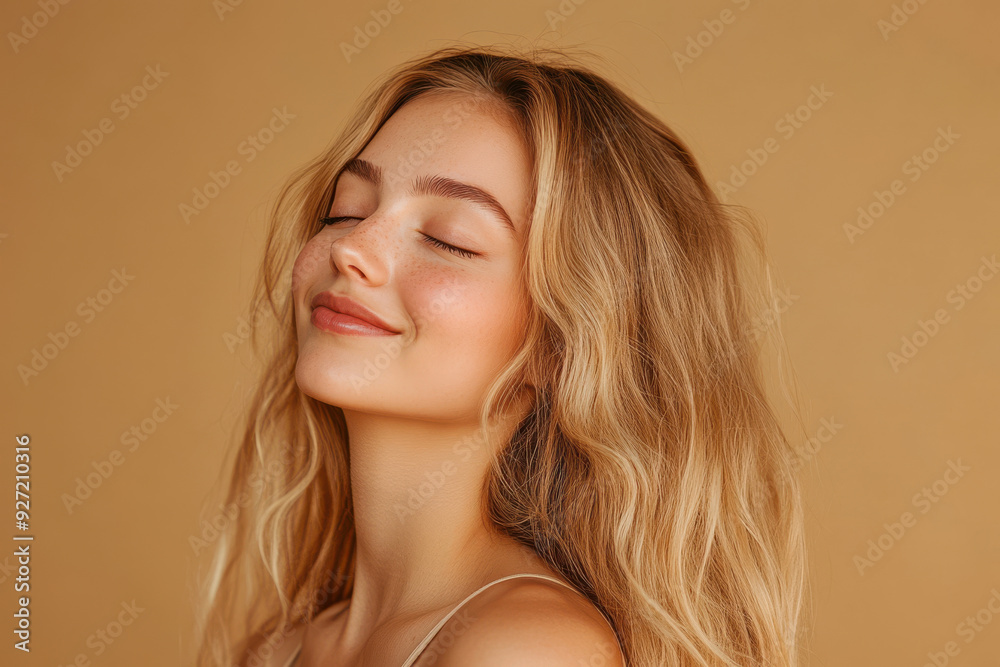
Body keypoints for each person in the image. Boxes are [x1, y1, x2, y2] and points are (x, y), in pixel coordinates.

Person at [193, 43, 809, 667]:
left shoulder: (529, 650)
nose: (353, 249)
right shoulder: (277, 650)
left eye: (447, 240)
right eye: (345, 210)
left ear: (563, 345)